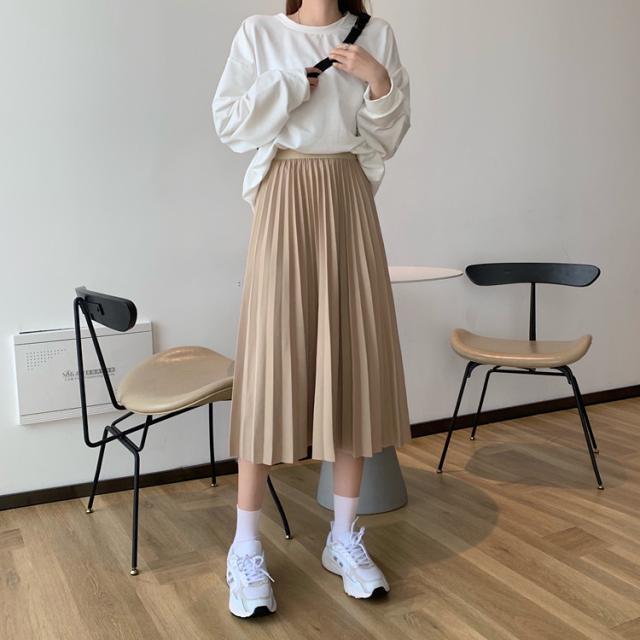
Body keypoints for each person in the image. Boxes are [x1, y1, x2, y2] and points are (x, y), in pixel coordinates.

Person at [212, 0, 411, 618]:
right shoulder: (259, 34)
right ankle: (245, 546)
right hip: (284, 191)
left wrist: (379, 81)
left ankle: (343, 538)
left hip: (347, 195)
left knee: (353, 360)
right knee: (270, 363)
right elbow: (231, 124)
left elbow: (386, 136)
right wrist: (289, 84)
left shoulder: (377, 33)